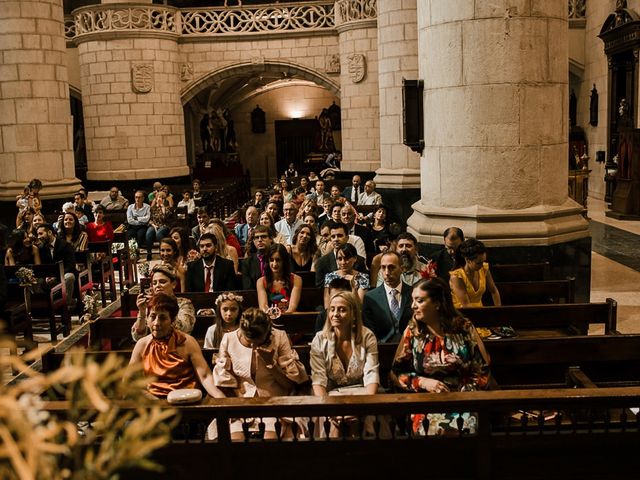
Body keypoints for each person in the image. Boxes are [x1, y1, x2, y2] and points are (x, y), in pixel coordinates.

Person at [390, 278, 491, 436]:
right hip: (425, 399)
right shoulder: (413, 331)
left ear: (437, 303)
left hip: (463, 399)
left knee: (466, 427)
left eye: (420, 300)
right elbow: (396, 372)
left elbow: (481, 370)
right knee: (426, 428)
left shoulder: (463, 328)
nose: (413, 306)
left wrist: (465, 393)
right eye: (413, 300)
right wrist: (422, 382)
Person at [212, 307, 310, 440]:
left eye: (258, 342)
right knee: (235, 441)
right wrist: (238, 404)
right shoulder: (229, 339)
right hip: (240, 405)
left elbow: (289, 385)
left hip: (273, 404)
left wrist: (271, 364)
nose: (253, 347)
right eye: (249, 342)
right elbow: (224, 383)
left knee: (269, 440)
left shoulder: (279, 337)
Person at [310, 291, 381, 437]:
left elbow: (371, 375)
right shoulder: (319, 339)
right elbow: (318, 381)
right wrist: (331, 412)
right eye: (332, 309)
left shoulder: (367, 336)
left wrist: (361, 409)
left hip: (363, 394)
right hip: (330, 396)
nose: (335, 314)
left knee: (359, 424)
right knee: (334, 427)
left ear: (354, 314)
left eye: (342, 309)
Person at [129, 293, 222, 399]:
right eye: (153, 316)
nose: (156, 323)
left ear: (172, 321)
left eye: (163, 318)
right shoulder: (142, 344)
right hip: (153, 402)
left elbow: (205, 376)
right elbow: (129, 380)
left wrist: (221, 398)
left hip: (186, 400)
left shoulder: (187, 342)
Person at [132, 264, 195, 342]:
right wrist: (142, 312)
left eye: (162, 282)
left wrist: (166, 304)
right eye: (154, 283)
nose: (157, 286)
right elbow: (137, 337)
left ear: (174, 284)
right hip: (151, 348)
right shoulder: (150, 305)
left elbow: (184, 329)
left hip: (178, 347)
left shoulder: (184, 303)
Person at [363, 251, 413, 342]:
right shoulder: (370, 298)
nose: (386, 272)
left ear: (402, 269)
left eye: (391, 267)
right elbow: (369, 331)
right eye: (383, 267)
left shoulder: (413, 294)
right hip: (381, 350)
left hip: (409, 348)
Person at [449, 238, 501, 308]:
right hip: (461, 313)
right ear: (467, 260)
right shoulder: (457, 276)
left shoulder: (484, 268)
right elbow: (466, 305)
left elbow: (494, 291)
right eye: (478, 263)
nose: (482, 265)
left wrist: (499, 311)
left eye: (483, 261)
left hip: (479, 311)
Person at [314, 222, 367, 288]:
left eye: (339, 236)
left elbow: (364, 285)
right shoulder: (321, 262)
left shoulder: (359, 260)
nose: (336, 239)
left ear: (347, 238)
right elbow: (320, 287)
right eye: (333, 236)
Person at [36, 223, 76, 307]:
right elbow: (43, 266)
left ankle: (66, 306)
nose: (38, 237)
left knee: (70, 277)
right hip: (49, 279)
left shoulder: (65, 245)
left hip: (63, 275)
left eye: (41, 233)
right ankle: (44, 306)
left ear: (50, 232)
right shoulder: (42, 248)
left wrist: (57, 276)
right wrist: (46, 276)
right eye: (37, 234)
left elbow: (70, 265)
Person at [257, 243, 302, 314]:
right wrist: (273, 317)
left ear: (284, 261)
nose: (274, 264)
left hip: (289, 318)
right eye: (271, 260)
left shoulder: (296, 279)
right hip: (269, 318)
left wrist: (281, 317)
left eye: (278, 260)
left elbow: (292, 307)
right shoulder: (261, 281)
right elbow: (263, 307)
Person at [241, 225, 273, 290]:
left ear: (271, 239)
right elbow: (247, 288)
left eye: (263, 237)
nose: (260, 240)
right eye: (256, 237)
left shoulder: (279, 258)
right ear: (253, 241)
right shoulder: (246, 263)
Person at [145, 191, 173, 261]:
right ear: (156, 198)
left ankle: (162, 252)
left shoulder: (167, 207)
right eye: (159, 197)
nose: (160, 199)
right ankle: (149, 253)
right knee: (149, 233)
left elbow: (165, 218)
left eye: (162, 198)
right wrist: (154, 226)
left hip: (165, 226)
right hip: (154, 225)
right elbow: (149, 219)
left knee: (159, 233)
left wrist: (162, 206)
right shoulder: (153, 208)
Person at [127, 190, 151, 257]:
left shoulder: (147, 207)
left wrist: (137, 218)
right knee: (131, 236)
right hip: (133, 226)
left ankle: (136, 253)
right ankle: (133, 255)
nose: (137, 199)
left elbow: (147, 218)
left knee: (140, 235)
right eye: (136, 197)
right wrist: (141, 220)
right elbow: (130, 220)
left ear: (143, 198)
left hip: (142, 227)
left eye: (139, 197)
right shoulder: (130, 207)